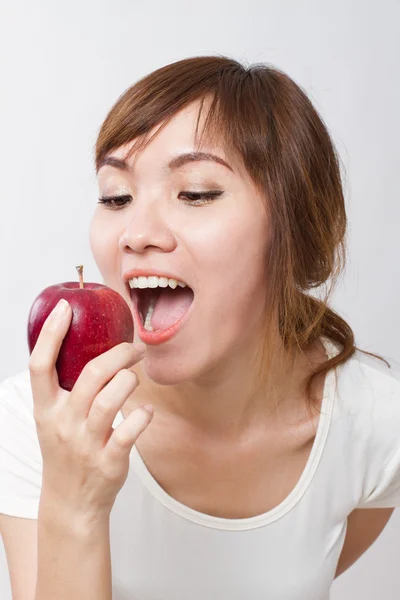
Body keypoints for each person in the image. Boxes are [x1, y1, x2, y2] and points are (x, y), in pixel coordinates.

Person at [1, 55, 399, 600]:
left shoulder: (373, 422)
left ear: (294, 229)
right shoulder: (38, 421)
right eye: (116, 197)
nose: (136, 233)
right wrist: (74, 499)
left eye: (196, 193)